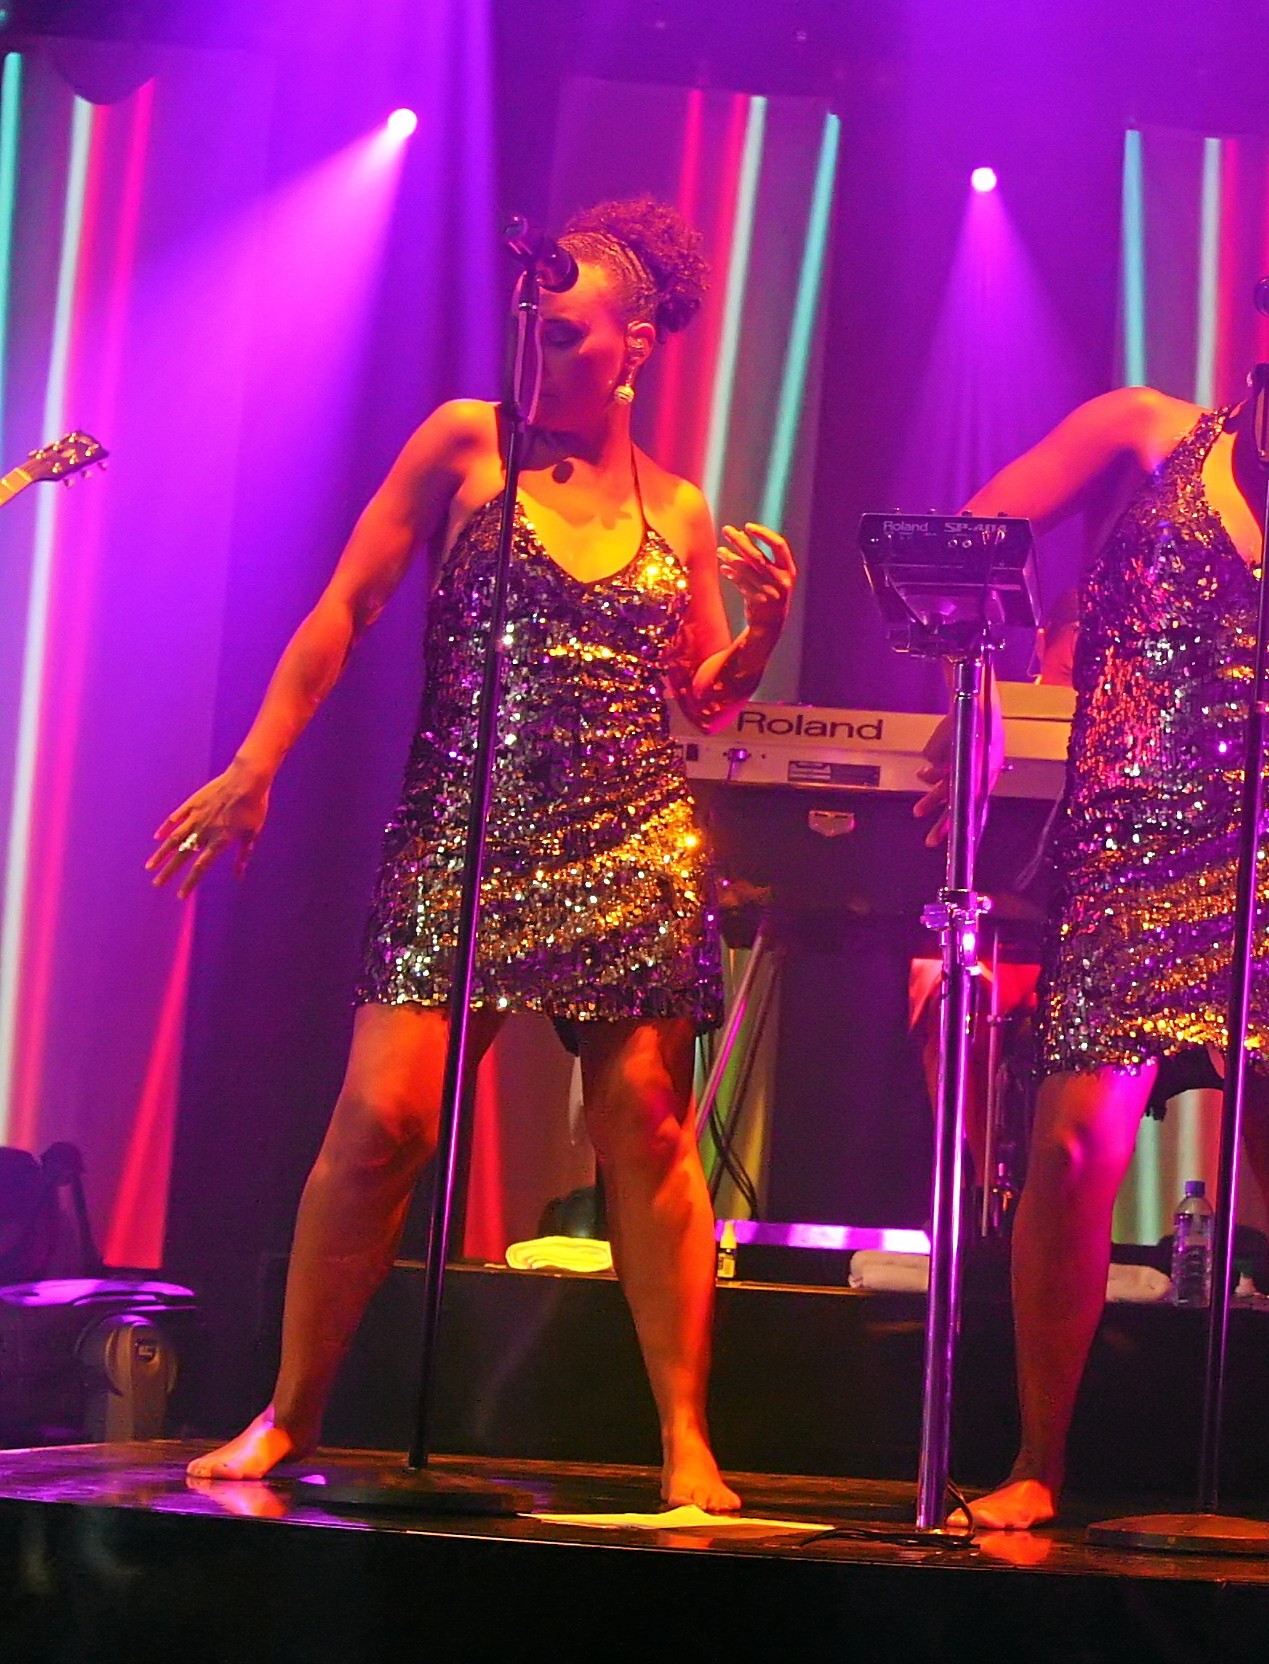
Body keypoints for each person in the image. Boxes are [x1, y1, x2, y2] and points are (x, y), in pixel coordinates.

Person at [150, 198, 797, 1512]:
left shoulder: (677, 506)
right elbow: (345, 607)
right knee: (382, 1121)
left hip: (629, 840)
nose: (536, 355)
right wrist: (258, 763)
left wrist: (762, 634)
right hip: (464, 828)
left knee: (645, 1125)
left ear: (635, 347)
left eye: (566, 337)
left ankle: (687, 1439)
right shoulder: (465, 443)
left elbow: (702, 698)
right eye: (528, 329)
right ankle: (288, 1413)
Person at [943, 256, 1269, 1550]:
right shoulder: (1145, 429)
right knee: (1073, 1149)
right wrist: (985, 699)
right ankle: (1036, 1461)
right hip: (1132, 846)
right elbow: (972, 539)